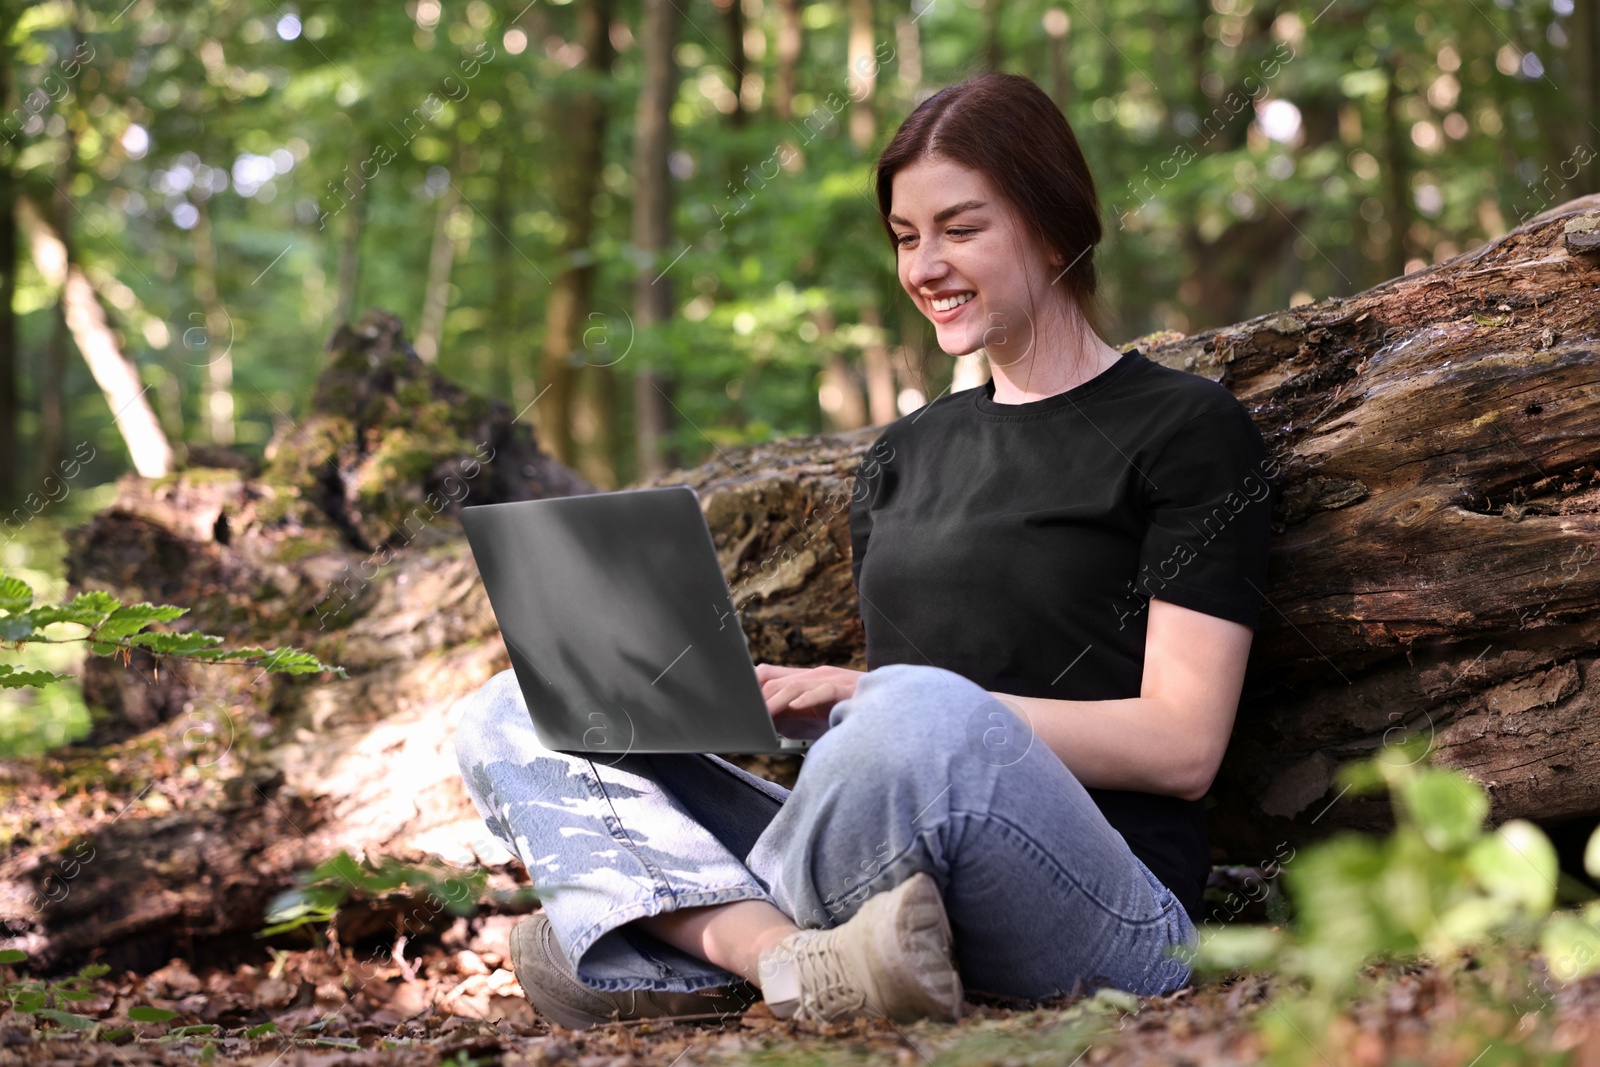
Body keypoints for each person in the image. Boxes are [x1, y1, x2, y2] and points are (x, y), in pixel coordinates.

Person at [452, 70, 1275, 1031]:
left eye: (960, 229)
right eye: (905, 237)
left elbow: (1182, 746)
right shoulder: (902, 455)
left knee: (913, 707)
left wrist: (873, 698)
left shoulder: (1186, 428)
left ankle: (675, 940)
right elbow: (886, 758)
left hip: (1106, 902)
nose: (925, 265)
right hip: (891, 875)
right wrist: (744, 707)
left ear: (1056, 226)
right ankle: (787, 959)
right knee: (511, 710)